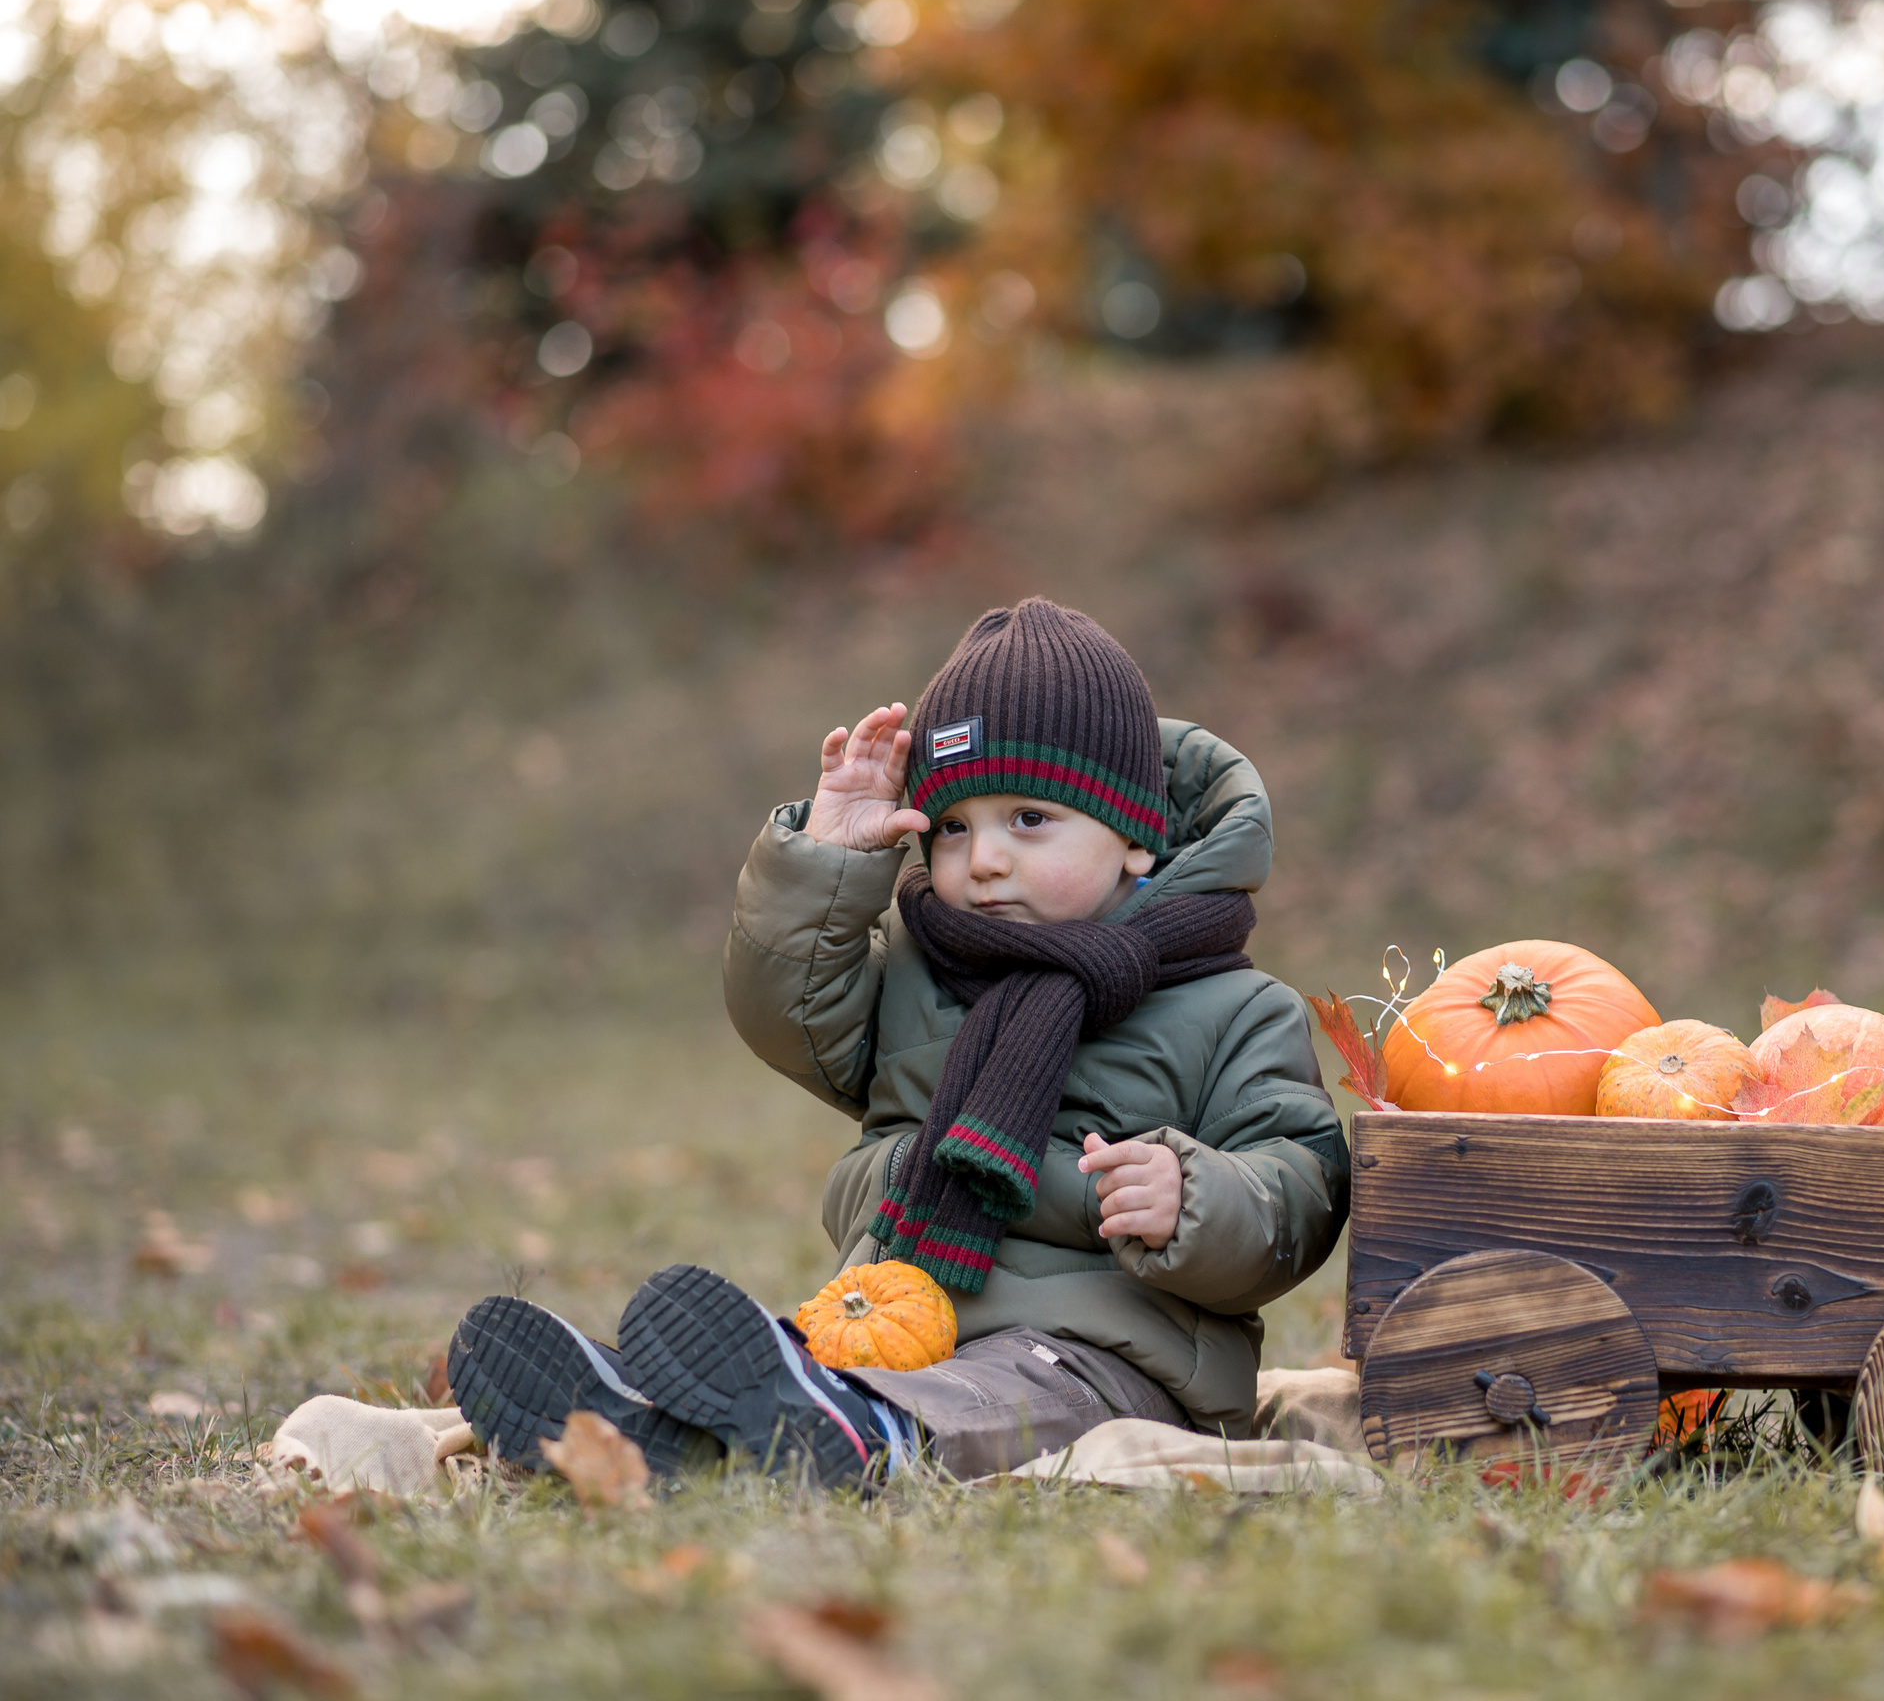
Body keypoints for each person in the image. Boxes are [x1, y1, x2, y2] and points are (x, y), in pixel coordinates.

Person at [448, 597, 1349, 1485]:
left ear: (1134, 840)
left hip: (1109, 1359)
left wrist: (1194, 1197)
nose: (982, 860)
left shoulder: (1233, 1007)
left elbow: (1302, 1186)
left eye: (1029, 820)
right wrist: (830, 861)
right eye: (953, 828)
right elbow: (786, 1009)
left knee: (999, 1392)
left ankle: (853, 1424)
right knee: (828, 1368)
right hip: (895, 1314)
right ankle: (653, 1422)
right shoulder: (924, 971)